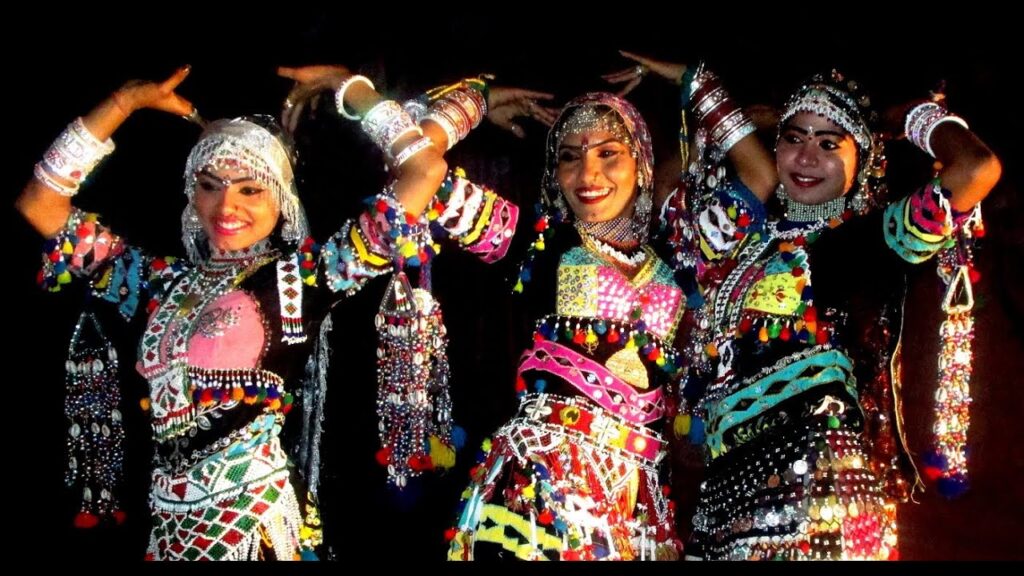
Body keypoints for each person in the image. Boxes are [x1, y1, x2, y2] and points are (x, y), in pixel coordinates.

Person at [16, 64, 448, 560]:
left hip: (252, 523)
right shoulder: (156, 282)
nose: (226, 206)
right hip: (169, 526)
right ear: (189, 193)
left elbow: (424, 171)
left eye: (250, 189)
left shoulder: (302, 280)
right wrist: (123, 104)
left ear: (281, 199)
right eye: (210, 185)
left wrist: (349, 89)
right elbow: (40, 203)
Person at [606, 53, 1001, 559]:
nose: (807, 157)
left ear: (864, 162)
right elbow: (667, 198)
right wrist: (710, 98)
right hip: (724, 504)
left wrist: (910, 118)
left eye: (829, 143)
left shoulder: (863, 245)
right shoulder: (741, 241)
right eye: (794, 138)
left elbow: (975, 169)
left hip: (818, 500)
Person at [431, 91, 687, 561]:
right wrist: (476, 99)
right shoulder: (535, 241)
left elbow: (759, 177)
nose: (588, 175)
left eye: (608, 154)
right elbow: (421, 172)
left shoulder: (678, 258)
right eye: (570, 157)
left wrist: (696, 83)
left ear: (642, 161)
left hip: (639, 497)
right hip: (544, 484)